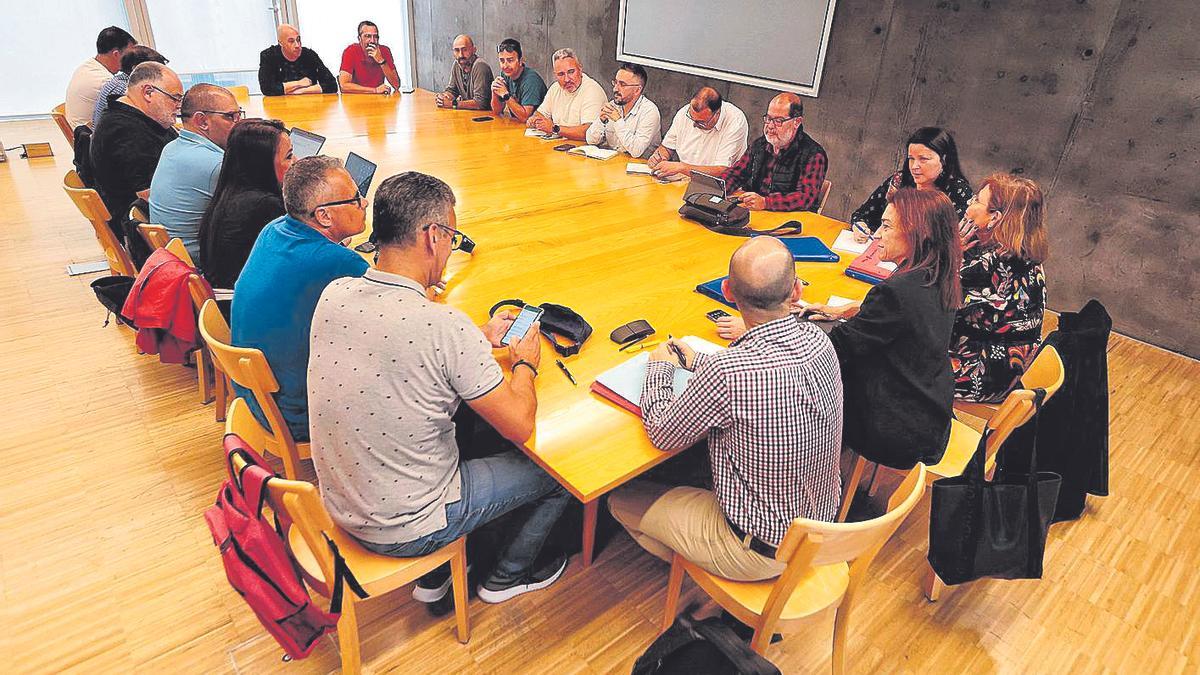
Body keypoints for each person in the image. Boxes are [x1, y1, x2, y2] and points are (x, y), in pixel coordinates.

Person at [310, 171, 572, 604]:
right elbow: (520, 425)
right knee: (559, 472)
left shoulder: (336, 293)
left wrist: (475, 335)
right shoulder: (442, 327)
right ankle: (507, 576)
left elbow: (403, 340)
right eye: (451, 235)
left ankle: (438, 573)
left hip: (342, 502)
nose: (451, 247)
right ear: (433, 236)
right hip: (405, 525)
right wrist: (525, 363)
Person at [608, 236, 843, 583]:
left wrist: (660, 367)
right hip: (817, 529)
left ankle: (699, 576)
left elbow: (662, 432)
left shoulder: (728, 372)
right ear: (796, 292)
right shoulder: (819, 340)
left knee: (618, 501)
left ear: (727, 292)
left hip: (758, 550)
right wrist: (698, 361)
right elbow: (760, 367)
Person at [810, 189, 963, 470]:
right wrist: (848, 311)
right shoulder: (939, 273)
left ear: (919, 233)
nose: (877, 234)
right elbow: (900, 318)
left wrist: (766, 327)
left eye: (887, 226)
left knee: (802, 387)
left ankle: (809, 474)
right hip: (928, 409)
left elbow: (834, 349)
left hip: (893, 428)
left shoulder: (897, 292)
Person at [231, 157, 370, 442]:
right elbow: (403, 313)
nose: (365, 203)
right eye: (355, 198)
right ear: (324, 216)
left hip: (253, 395)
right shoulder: (337, 262)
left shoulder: (273, 229)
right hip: (295, 414)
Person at [951, 173, 1049, 402]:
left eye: (976, 200)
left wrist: (952, 251)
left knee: (890, 363)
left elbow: (931, 295)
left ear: (995, 218)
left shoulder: (997, 263)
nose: (969, 204)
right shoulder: (1022, 254)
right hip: (1008, 366)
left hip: (984, 372)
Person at [89, 62, 181, 247]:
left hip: (143, 222)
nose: (179, 107)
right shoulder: (127, 132)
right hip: (145, 233)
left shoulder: (132, 117)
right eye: (175, 98)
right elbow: (150, 195)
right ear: (148, 92)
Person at [149, 84, 241, 262]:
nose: (239, 124)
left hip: (170, 260)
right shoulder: (215, 164)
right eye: (231, 117)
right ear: (202, 121)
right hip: (199, 269)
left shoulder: (171, 147)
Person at [199, 119, 293, 290]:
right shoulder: (264, 206)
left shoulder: (231, 191)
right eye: (289, 156)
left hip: (226, 292)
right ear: (262, 164)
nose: (296, 161)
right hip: (242, 302)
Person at [849, 127, 973, 242]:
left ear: (944, 159)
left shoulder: (959, 192)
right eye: (911, 158)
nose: (914, 166)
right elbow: (862, 215)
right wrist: (859, 226)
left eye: (923, 159)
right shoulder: (900, 181)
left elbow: (949, 241)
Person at [720, 93, 828, 212]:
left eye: (778, 121)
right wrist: (719, 189)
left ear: (797, 122)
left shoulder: (813, 155)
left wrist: (766, 202)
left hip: (788, 219)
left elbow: (805, 198)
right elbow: (736, 173)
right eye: (768, 119)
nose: (770, 126)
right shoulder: (759, 145)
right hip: (756, 213)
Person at [647, 87, 749, 180]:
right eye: (692, 118)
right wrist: (660, 157)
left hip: (717, 185)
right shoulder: (684, 113)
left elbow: (722, 170)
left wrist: (681, 167)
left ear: (717, 114)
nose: (694, 124)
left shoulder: (735, 121)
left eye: (701, 122)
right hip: (682, 180)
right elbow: (667, 148)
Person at [526, 48, 607, 141]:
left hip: (586, 149)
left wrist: (554, 128)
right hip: (561, 146)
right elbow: (541, 113)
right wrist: (534, 119)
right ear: (555, 75)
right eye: (561, 74)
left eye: (571, 72)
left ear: (580, 69)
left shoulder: (592, 91)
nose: (567, 79)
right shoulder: (555, 88)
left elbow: (589, 133)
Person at [65, 26, 137, 129]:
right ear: (116, 54)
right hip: (91, 140)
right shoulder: (105, 82)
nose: (132, 60)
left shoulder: (87, 66)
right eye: (130, 55)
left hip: (84, 134)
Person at [585, 63, 660, 159]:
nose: (615, 88)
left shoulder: (649, 112)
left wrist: (618, 121)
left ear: (637, 90)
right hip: (613, 163)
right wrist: (601, 121)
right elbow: (590, 140)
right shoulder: (614, 105)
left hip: (639, 167)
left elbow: (636, 151)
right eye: (615, 82)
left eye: (622, 84)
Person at [92, 46, 168, 128]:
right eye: (156, 72)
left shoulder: (117, 81)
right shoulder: (124, 89)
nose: (159, 78)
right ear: (136, 68)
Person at [258, 24, 338, 96]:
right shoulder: (269, 56)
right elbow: (267, 89)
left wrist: (302, 91)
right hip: (281, 107)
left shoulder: (309, 55)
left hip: (309, 105)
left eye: (298, 40)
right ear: (280, 43)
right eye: (291, 41)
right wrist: (299, 83)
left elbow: (332, 85)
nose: (297, 45)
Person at [489, 38, 547, 122]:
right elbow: (497, 111)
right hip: (519, 126)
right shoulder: (505, 74)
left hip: (537, 129)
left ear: (520, 61)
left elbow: (525, 117)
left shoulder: (531, 80)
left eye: (510, 60)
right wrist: (495, 91)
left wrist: (506, 95)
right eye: (502, 61)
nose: (505, 66)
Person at [338, 20, 400, 94]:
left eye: (375, 37)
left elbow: (396, 85)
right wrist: (375, 90)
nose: (372, 41)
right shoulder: (350, 51)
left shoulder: (384, 51)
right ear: (359, 38)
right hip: (355, 100)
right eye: (368, 36)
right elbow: (344, 86)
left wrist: (381, 61)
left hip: (378, 100)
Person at [435, 34, 492, 110]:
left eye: (464, 49)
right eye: (457, 50)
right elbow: (452, 90)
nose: (461, 55)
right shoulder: (456, 64)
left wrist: (452, 104)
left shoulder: (480, 66)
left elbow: (480, 103)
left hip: (485, 117)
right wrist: (444, 97)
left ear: (474, 50)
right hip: (468, 115)